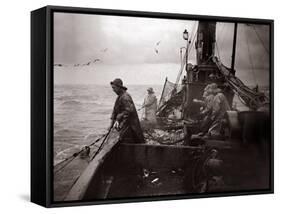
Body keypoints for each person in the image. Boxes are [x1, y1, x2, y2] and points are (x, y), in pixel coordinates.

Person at [110, 78, 145, 144]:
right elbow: (115, 111)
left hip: (131, 127)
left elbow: (128, 111)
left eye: (114, 88)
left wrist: (119, 121)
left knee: (132, 141)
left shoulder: (125, 97)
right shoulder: (120, 96)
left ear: (119, 87)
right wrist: (112, 123)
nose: (113, 90)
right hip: (125, 126)